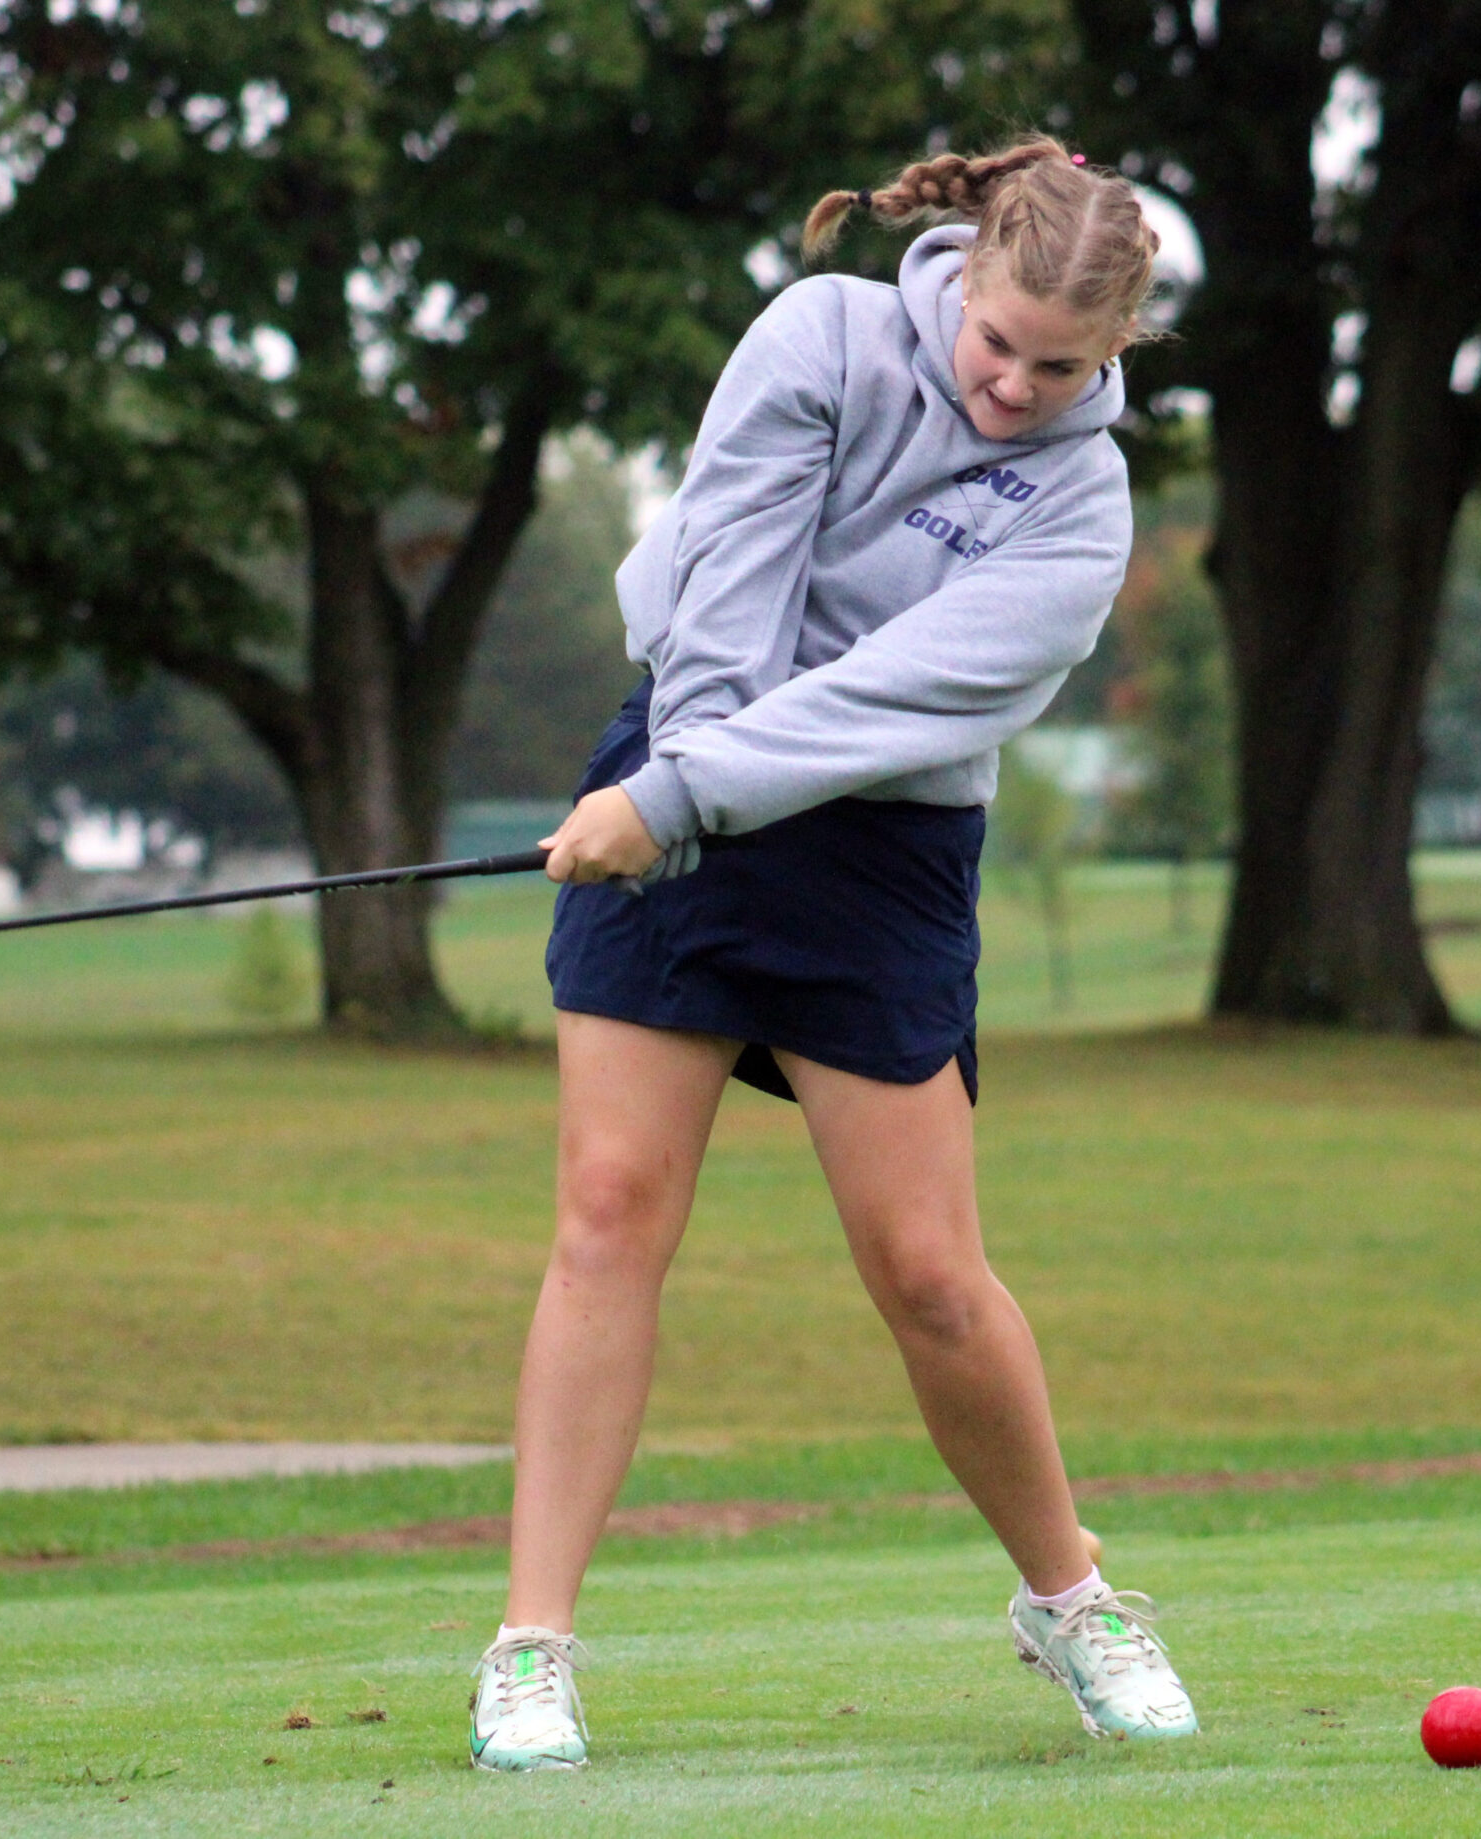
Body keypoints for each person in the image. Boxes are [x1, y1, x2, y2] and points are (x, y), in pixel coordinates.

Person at [468, 135, 1198, 1773]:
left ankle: (1073, 1601)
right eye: (998, 341)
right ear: (963, 270)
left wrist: (681, 794)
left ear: (1119, 350)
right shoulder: (822, 337)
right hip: (681, 771)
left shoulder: (1080, 512)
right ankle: (531, 1647)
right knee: (607, 1215)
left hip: (878, 850)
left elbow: (902, 701)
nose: (1012, 384)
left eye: (1059, 365)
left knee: (929, 1273)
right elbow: (731, 574)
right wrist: (676, 783)